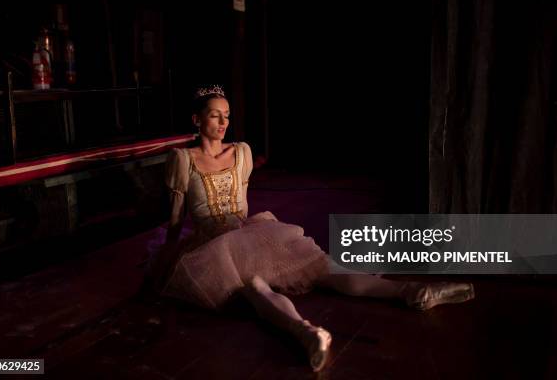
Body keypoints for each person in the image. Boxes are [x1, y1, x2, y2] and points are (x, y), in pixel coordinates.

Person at [144, 85, 475, 372]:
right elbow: (176, 218)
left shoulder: (241, 152)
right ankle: (308, 333)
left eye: (226, 115)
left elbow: (242, 205)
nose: (222, 123)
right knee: (256, 287)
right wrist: (168, 256)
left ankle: (412, 291)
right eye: (215, 115)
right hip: (216, 244)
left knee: (322, 267)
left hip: (248, 231)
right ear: (196, 119)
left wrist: (248, 234)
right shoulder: (182, 160)